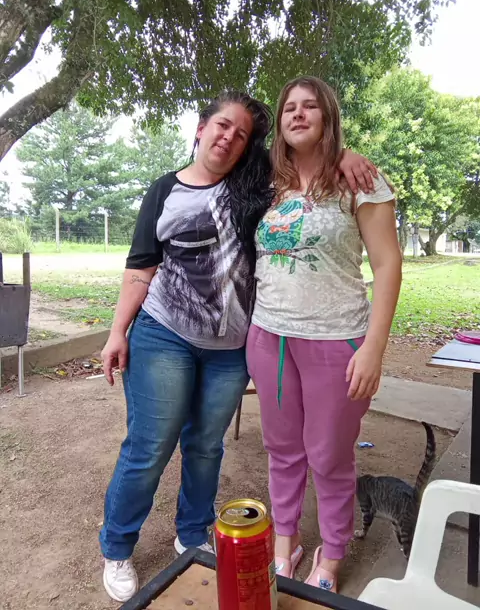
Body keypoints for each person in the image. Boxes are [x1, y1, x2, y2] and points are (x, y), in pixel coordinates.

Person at [99, 88, 376, 603]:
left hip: (229, 347)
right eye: (222, 125)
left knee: (207, 445)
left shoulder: (254, 185)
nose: (229, 137)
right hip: (164, 334)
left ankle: (191, 534)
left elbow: (307, 155)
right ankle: (117, 546)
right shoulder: (165, 190)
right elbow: (140, 267)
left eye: (242, 133)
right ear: (200, 128)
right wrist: (118, 331)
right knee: (150, 446)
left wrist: (345, 154)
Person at [246, 76, 402, 593]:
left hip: (338, 340)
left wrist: (374, 349)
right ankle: (285, 544)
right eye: (289, 107)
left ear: (327, 116)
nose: (297, 114)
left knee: (330, 455)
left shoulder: (359, 180)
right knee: (282, 449)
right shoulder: (268, 183)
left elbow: (388, 264)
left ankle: (331, 555)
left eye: (310, 106)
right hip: (269, 336)